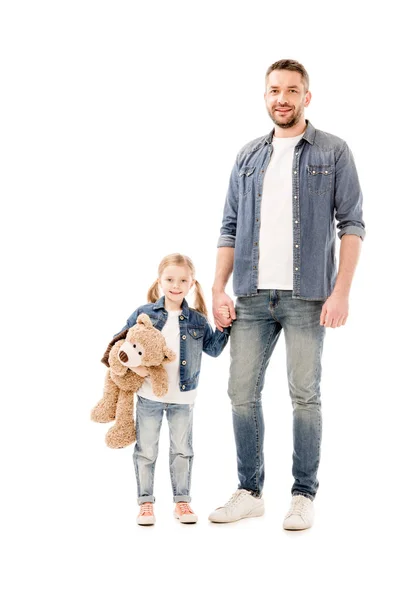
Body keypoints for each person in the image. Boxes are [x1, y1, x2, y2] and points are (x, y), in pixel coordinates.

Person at [209, 59, 365, 529]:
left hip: (308, 296)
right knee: (240, 393)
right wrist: (217, 288)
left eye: (292, 90)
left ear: (306, 97)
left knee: (304, 395)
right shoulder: (248, 156)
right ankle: (249, 490)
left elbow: (352, 224)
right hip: (251, 296)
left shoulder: (333, 152)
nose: (283, 98)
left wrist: (341, 293)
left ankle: (302, 494)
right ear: (265, 96)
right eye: (275, 89)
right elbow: (229, 227)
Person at [115, 253, 230, 525]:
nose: (175, 285)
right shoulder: (144, 314)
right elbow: (120, 343)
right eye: (169, 279)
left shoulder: (198, 320)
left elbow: (213, 349)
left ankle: (182, 503)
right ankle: (145, 503)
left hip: (183, 398)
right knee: (146, 450)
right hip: (148, 396)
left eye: (182, 280)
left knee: (182, 450)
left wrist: (227, 325)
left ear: (191, 284)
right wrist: (136, 368)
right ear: (160, 281)